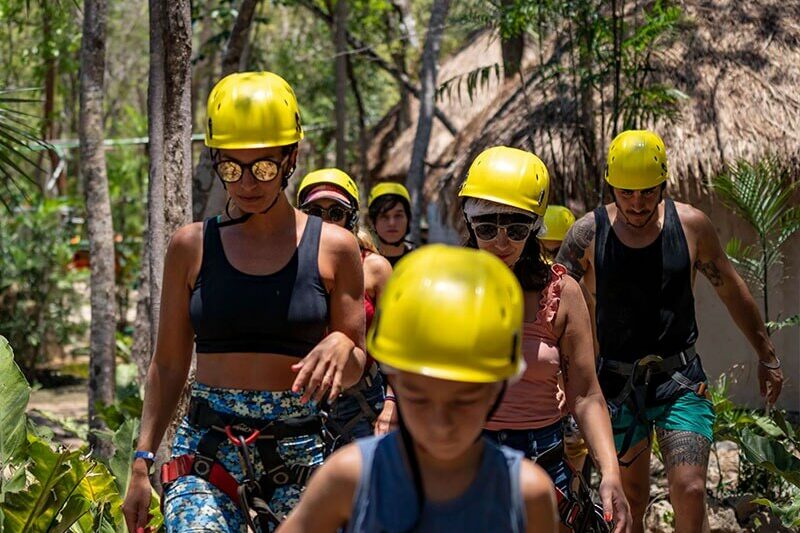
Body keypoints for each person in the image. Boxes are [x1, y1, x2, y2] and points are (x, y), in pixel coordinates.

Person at [121, 72, 366, 533]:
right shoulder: (190, 247)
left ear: (291, 157)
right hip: (207, 449)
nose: (248, 182)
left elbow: (353, 367)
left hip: (299, 453)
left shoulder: (334, 248)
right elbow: (170, 364)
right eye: (231, 167)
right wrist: (142, 460)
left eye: (264, 167)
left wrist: (343, 347)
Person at [556, 130, 784, 533]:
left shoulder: (692, 225)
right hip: (616, 382)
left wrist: (766, 354)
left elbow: (730, 288)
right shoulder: (587, 235)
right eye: (626, 193)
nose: (638, 203)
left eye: (648, 192)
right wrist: (560, 378)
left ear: (664, 184)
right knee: (632, 498)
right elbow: (555, 307)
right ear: (611, 185)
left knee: (691, 488)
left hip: (680, 381)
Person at [278, 245, 559, 533]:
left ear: (497, 389)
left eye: (463, 402)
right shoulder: (348, 479)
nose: (440, 423)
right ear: (395, 383)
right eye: (419, 399)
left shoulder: (526, 495)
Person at [458, 146, 629, 532]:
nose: (501, 242)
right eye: (487, 227)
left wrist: (611, 474)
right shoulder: (444, 285)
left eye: (516, 228)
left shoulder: (562, 292)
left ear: (535, 226)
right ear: (469, 223)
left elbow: (585, 393)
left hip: (544, 459)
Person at [296, 169, 397, 442]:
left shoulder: (375, 268)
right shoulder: (288, 267)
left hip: (364, 403)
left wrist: (392, 403)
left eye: (335, 213)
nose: (326, 222)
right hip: (302, 402)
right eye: (315, 212)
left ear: (350, 218)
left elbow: (396, 346)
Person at [538, 205, 590, 474]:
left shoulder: (575, 288)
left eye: (557, 250)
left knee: (576, 448)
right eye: (545, 250)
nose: (551, 259)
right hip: (540, 393)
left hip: (570, 387)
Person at [367, 182, 414, 266]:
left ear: (408, 219)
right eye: (384, 216)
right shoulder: (362, 264)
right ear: (372, 221)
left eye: (398, 215)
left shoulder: (421, 262)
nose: (392, 223)